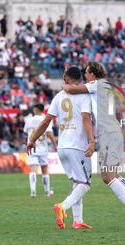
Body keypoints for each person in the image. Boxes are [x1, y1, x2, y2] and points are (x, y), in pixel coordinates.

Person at [62, 61, 125, 229]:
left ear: (93, 75)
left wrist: (65, 82)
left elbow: (72, 89)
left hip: (108, 135)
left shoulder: (97, 84)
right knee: (116, 176)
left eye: (87, 73)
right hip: (113, 132)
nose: (85, 76)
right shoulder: (107, 87)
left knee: (107, 177)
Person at [26, 67, 94, 229]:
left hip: (62, 146)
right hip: (77, 146)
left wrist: (32, 140)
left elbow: (45, 122)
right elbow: (86, 119)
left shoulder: (58, 97)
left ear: (66, 78)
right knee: (85, 184)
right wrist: (91, 141)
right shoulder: (85, 95)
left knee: (78, 183)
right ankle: (62, 206)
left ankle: (78, 220)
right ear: (80, 79)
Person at [24, 103, 57, 198]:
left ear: (35, 110)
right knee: (44, 171)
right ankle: (47, 191)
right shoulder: (46, 120)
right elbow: (50, 134)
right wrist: (55, 145)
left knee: (33, 171)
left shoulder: (29, 120)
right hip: (43, 148)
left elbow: (25, 132)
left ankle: (33, 191)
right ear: (43, 110)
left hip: (32, 148)